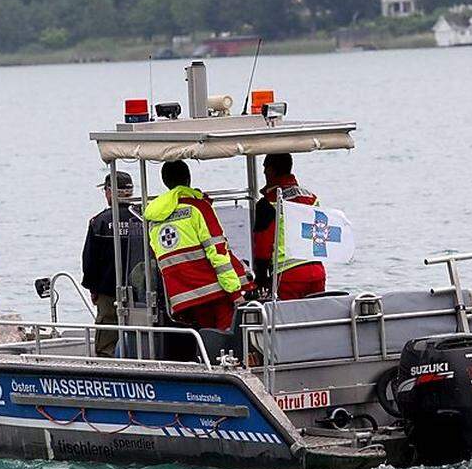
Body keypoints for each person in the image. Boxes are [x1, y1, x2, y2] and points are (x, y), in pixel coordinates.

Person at [145, 161, 254, 354]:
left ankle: (207, 364)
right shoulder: (198, 208)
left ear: (164, 182)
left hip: (185, 295)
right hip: (214, 291)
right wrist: (236, 293)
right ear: (188, 179)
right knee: (227, 338)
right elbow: (218, 253)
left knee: (207, 337)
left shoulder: (154, 218)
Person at [253, 153, 326, 300]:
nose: (263, 172)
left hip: (287, 275)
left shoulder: (268, 202)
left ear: (271, 170)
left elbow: (263, 246)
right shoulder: (312, 197)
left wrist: (260, 279)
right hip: (317, 270)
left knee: (289, 320)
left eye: (265, 168)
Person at [81, 171, 136, 357]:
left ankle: (109, 366)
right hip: (140, 292)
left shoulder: (99, 222)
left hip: (107, 291)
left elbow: (89, 261)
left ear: (110, 192)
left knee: (106, 343)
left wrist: (92, 288)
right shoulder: (144, 218)